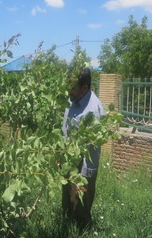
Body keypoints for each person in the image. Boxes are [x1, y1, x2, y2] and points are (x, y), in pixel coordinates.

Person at [61, 67, 106, 231]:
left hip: (84, 162)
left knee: (81, 202)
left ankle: (84, 231)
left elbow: (93, 149)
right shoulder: (72, 99)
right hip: (68, 156)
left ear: (84, 88)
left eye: (72, 87)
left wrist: (85, 176)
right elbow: (65, 128)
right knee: (67, 197)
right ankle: (66, 226)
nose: (69, 90)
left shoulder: (95, 111)